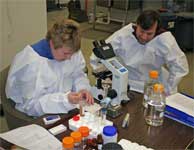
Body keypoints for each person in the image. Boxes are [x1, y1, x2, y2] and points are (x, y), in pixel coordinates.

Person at [6, 19, 94, 117]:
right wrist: (65, 100)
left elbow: (78, 74)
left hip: (67, 106)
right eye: (66, 53)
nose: (69, 58)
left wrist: (82, 89)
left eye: (72, 53)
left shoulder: (70, 49)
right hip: (36, 116)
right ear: (52, 43)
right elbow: (31, 107)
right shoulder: (33, 63)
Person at [90, 10, 189, 95]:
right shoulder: (124, 34)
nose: (144, 37)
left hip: (153, 82)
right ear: (137, 25)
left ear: (157, 29)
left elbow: (179, 66)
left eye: (149, 33)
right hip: (127, 80)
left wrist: (168, 89)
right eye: (141, 31)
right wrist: (102, 75)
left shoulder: (164, 39)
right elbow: (100, 53)